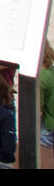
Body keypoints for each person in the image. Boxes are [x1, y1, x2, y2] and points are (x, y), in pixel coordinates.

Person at [40, 40, 54, 170]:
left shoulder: (41, 78)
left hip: (48, 124)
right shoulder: (52, 70)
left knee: (46, 159)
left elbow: (38, 110)